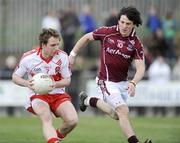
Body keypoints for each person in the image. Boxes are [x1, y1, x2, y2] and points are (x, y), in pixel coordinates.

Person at [69, 6, 151, 143]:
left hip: (123, 84)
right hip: (106, 81)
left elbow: (141, 68)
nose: (124, 26)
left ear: (134, 24)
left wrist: (133, 82)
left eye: (128, 23)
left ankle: (87, 100)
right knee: (123, 111)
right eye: (122, 22)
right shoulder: (107, 32)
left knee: (117, 115)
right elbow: (86, 37)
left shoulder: (136, 43)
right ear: (118, 21)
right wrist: (72, 55)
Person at [12, 28, 78, 143]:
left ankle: (55, 137)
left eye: (58, 44)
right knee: (46, 118)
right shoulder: (28, 58)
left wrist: (55, 84)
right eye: (53, 45)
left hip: (58, 94)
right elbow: (15, 77)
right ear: (43, 45)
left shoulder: (62, 57)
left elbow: (67, 80)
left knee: (72, 121)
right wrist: (27, 83)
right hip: (38, 95)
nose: (57, 48)